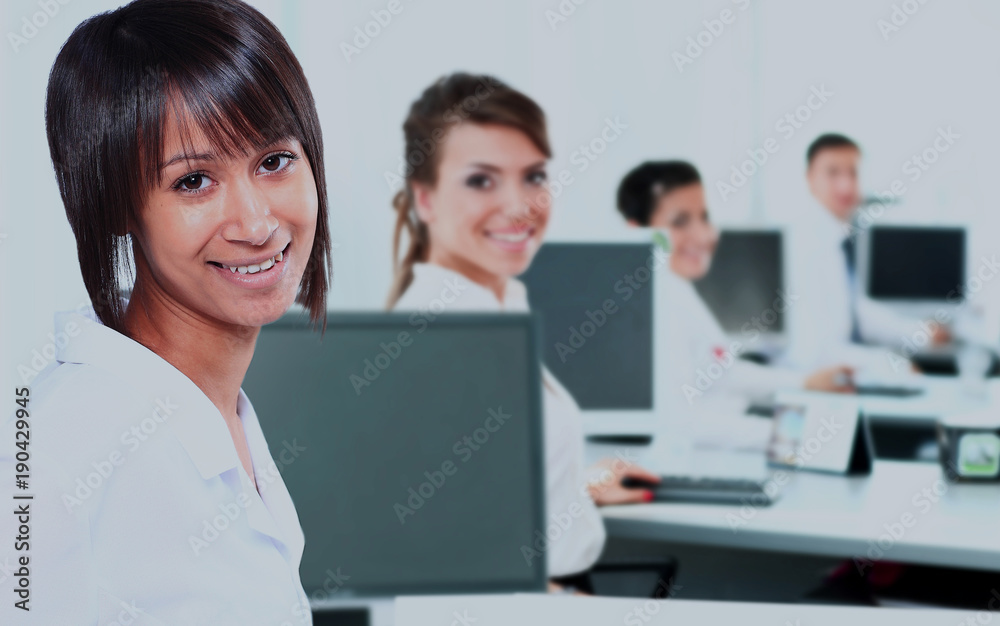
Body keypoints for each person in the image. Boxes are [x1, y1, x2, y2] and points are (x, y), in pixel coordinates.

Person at [1, 1, 332, 623]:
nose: (258, 224)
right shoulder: (51, 453)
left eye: (274, 162)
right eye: (192, 182)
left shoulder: (218, 408)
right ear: (116, 204)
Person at [385, 73, 661, 587]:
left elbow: (485, 498)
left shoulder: (498, 302)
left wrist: (578, 486)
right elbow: (442, 558)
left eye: (533, 176)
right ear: (425, 200)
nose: (519, 206)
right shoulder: (442, 337)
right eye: (481, 180)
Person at [616, 161, 854, 419]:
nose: (704, 235)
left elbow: (722, 373)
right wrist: (787, 437)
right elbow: (683, 419)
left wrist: (804, 383)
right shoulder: (649, 307)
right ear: (637, 231)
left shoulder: (676, 288)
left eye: (704, 218)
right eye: (680, 222)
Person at [783, 134, 948, 373]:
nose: (846, 185)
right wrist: (894, 366)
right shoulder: (804, 247)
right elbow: (819, 351)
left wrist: (921, 333)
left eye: (853, 173)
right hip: (815, 378)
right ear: (809, 178)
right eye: (833, 173)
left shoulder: (836, 238)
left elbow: (854, 311)